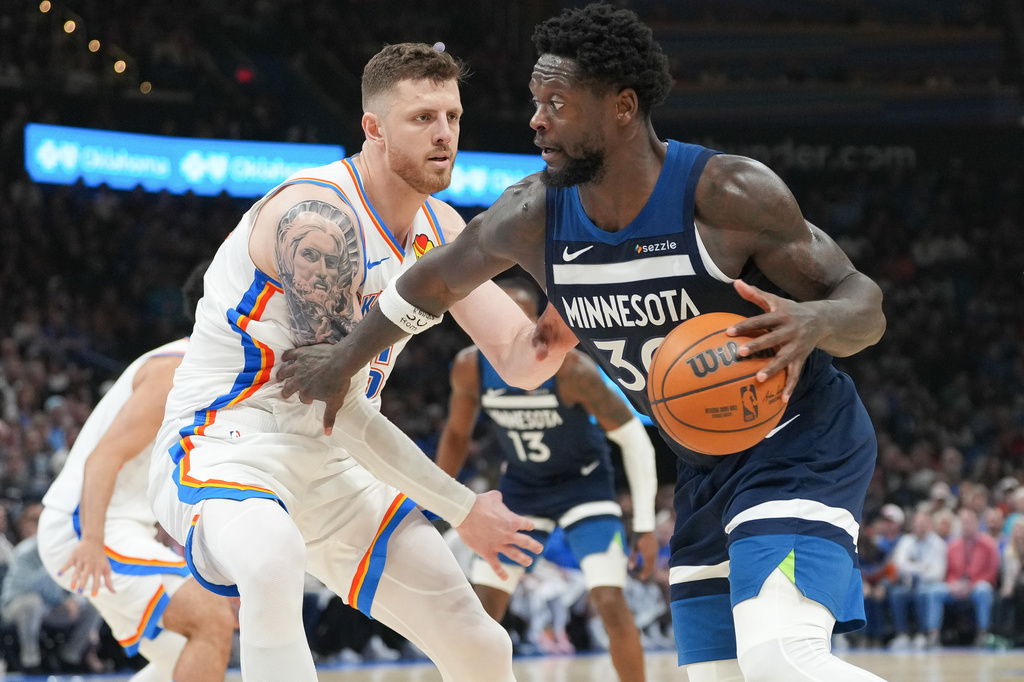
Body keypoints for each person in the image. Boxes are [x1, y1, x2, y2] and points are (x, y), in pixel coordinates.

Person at [279, 5, 889, 681]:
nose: (537, 120)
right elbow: (432, 282)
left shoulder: (726, 194)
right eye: (536, 102)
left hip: (800, 442)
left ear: (622, 107)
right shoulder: (533, 216)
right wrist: (343, 359)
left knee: (781, 660)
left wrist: (815, 323)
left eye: (557, 104)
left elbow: (864, 303)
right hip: (703, 465)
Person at [148, 42, 575, 682]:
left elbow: (521, 359)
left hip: (337, 463)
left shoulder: (441, 229)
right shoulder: (317, 219)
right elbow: (335, 404)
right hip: (229, 441)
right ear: (373, 127)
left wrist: (581, 297)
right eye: (422, 118)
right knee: (270, 559)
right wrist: (462, 508)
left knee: (482, 646)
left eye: (453, 117)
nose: (445, 135)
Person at [435, 277, 658, 682]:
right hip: (524, 489)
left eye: (520, 322)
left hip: (584, 488)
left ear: (535, 324)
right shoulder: (471, 366)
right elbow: (455, 435)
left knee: (608, 600)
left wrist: (644, 525)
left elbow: (636, 441)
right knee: (483, 609)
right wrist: (439, 500)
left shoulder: (571, 369)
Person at [36, 261, 238, 682]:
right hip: (86, 527)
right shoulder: (173, 371)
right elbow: (103, 457)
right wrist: (91, 540)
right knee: (212, 618)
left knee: (182, 653)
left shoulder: (211, 377)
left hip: (119, 526)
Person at [1, 502, 104, 674]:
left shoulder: (61, 552)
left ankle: (70, 657)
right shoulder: (25, 551)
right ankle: (30, 662)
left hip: (49, 608)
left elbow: (74, 582)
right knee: (32, 603)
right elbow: (27, 587)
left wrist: (73, 600)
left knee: (92, 605)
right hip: (15, 607)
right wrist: (52, 568)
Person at [887, 509, 948, 650]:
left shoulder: (938, 544)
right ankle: (902, 634)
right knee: (897, 593)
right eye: (918, 524)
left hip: (928, 586)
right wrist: (922, 568)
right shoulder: (906, 541)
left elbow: (937, 573)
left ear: (930, 525)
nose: (920, 527)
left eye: (924, 524)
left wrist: (912, 568)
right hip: (907, 585)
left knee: (923, 593)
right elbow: (899, 566)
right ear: (913, 525)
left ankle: (923, 634)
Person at [943, 507, 1000, 646]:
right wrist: (953, 585)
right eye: (964, 522)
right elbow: (948, 572)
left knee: (983, 590)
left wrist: (972, 585)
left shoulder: (989, 544)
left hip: (978, 585)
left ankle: (983, 633)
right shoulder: (952, 546)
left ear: (977, 524)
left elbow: (992, 573)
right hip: (956, 587)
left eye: (970, 522)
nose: (967, 526)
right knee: (934, 592)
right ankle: (933, 634)